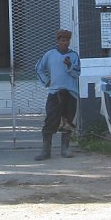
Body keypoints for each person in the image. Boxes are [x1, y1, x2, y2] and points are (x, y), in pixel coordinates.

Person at [34, 29, 81, 160]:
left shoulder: (74, 56)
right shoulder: (50, 54)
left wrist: (69, 65)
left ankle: (65, 149)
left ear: (69, 42)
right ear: (58, 41)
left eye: (66, 40)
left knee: (69, 120)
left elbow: (77, 73)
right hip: (55, 92)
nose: (64, 43)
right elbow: (39, 68)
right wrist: (47, 81)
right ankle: (46, 150)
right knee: (50, 120)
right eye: (62, 40)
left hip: (71, 93)